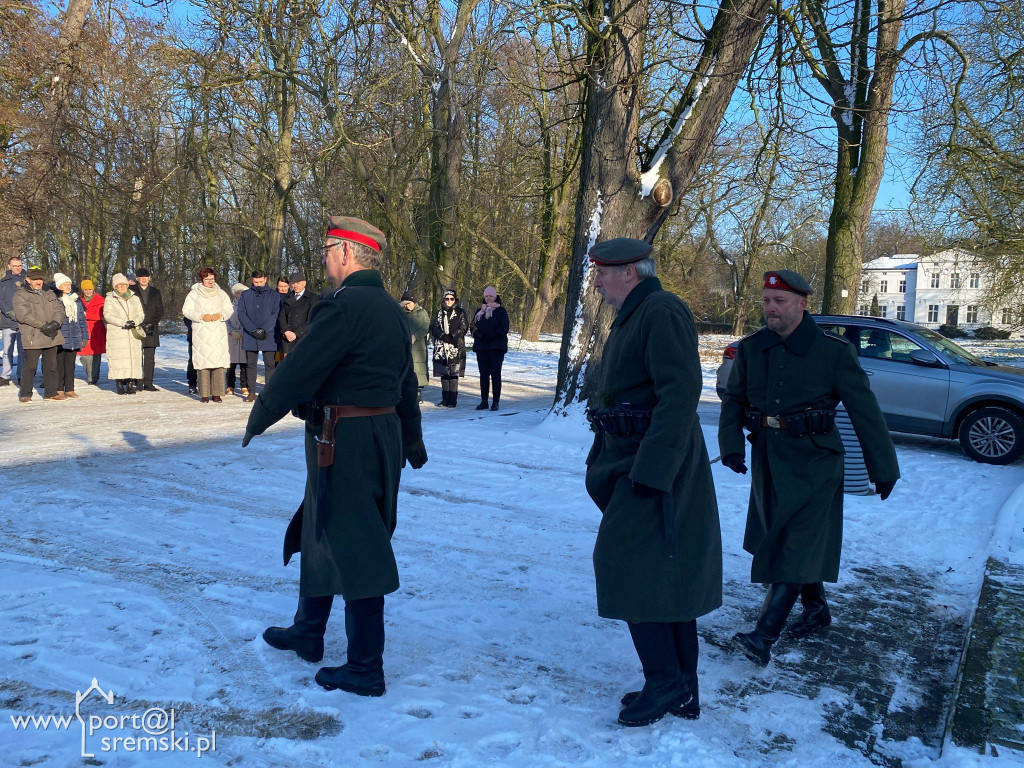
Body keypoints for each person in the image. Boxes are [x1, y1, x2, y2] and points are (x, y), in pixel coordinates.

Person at [243, 216, 427, 698]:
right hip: (375, 434)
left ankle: (365, 667)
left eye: (327, 249)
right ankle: (308, 631)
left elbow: (301, 367)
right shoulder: (391, 309)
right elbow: (406, 380)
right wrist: (411, 437)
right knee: (319, 524)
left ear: (346, 252)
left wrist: (260, 413)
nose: (323, 258)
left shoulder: (344, 306)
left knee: (357, 540)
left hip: (346, 437)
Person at [718, 270, 901, 667]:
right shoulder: (752, 348)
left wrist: (883, 466)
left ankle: (763, 637)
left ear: (802, 304)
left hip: (816, 461)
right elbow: (733, 399)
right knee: (786, 536)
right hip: (769, 459)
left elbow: (865, 410)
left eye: (779, 301)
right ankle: (816, 608)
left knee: (796, 543)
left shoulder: (832, 352)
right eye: (766, 300)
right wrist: (730, 445)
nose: (770, 308)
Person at [584, 238, 722, 727]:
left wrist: (654, 471)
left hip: (656, 463)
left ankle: (665, 681)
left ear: (631, 272)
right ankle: (682, 688)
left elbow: (680, 394)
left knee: (625, 563)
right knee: (666, 571)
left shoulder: (660, 310)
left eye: (603, 273)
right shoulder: (637, 313)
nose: (596, 283)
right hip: (633, 457)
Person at [13, 267, 66, 402]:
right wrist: (43, 325)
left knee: (51, 366)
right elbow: (23, 315)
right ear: (28, 280)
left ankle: (51, 393)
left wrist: (55, 323)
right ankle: (25, 393)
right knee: (30, 366)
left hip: (51, 334)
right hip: (33, 335)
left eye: (40, 279)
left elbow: (59, 309)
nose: (38, 282)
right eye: (35, 279)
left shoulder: (49, 293)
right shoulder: (20, 294)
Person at [181, 268, 232, 403]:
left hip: (218, 332)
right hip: (201, 332)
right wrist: (200, 316)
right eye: (207, 279)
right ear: (202, 280)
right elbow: (186, 310)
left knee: (218, 362)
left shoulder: (221, 293)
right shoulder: (194, 294)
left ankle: (217, 393)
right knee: (203, 362)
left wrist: (221, 315)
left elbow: (229, 309)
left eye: (212, 279)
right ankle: (204, 393)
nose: (210, 281)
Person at [237, 269, 282, 402]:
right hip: (250, 334)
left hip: (269, 334)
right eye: (256, 282)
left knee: (270, 364)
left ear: (265, 279)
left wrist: (264, 330)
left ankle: (269, 392)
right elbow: (241, 313)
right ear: (252, 280)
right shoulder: (245, 294)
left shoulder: (274, 295)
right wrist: (253, 330)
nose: (258, 285)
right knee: (251, 364)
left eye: (261, 282)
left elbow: (276, 313)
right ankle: (251, 392)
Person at [102, 273, 145, 395]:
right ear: (115, 286)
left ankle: (130, 383)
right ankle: (119, 383)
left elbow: (141, 314)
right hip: (118, 333)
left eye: (124, 284)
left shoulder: (135, 298)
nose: (122, 287)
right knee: (119, 359)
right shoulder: (110, 298)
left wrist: (135, 321)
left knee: (132, 358)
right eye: (119, 285)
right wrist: (123, 322)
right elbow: (107, 315)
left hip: (132, 333)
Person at [469, 285, 509, 411]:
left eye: (491, 296)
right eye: (486, 296)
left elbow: (504, 327)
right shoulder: (479, 311)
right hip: (482, 347)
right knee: (484, 375)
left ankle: (495, 401)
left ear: (495, 297)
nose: (488, 298)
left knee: (495, 374)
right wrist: (478, 335)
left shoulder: (501, 311)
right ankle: (484, 401)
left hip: (496, 347)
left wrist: (493, 335)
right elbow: (472, 327)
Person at [52, 273, 88, 398]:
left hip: (74, 336)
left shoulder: (76, 300)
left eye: (69, 284)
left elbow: (82, 320)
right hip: (60, 336)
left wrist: (84, 336)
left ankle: (70, 388)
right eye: (65, 284)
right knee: (59, 364)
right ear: (58, 286)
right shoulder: (55, 300)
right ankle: (59, 389)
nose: (68, 287)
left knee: (70, 364)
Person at [430, 289, 467, 407]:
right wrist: (442, 335)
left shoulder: (460, 312)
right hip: (442, 348)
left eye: (452, 298)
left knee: (454, 374)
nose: (449, 301)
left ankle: (453, 400)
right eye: (447, 299)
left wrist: (452, 336)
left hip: (456, 346)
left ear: (455, 300)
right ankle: (445, 399)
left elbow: (464, 327)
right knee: (444, 374)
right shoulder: (439, 313)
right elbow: (434, 327)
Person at [131, 267, 164, 391]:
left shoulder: (156, 292)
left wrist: (152, 323)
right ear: (137, 278)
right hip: (136, 328)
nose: (144, 279)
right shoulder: (131, 291)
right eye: (141, 276)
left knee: (150, 358)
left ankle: (148, 383)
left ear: (149, 278)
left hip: (151, 328)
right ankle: (138, 383)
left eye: (146, 276)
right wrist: (136, 323)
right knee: (136, 357)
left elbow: (160, 310)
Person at [278, 270, 319, 356]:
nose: (295, 286)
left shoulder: (313, 298)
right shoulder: (287, 297)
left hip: (303, 338)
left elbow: (312, 319)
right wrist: (286, 331)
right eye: (293, 283)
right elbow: (282, 316)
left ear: (304, 283)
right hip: (288, 339)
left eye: (298, 283)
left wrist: (296, 333)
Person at [400, 290, 429, 402]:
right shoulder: (401, 314)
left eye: (409, 303)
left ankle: (418, 395)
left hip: (418, 347)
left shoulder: (421, 313)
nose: (408, 306)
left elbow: (426, 327)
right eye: (405, 304)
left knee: (418, 370)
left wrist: (416, 336)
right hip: (405, 346)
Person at [1, 255, 25, 386]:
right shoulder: (3, 282)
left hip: (25, 321)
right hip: (8, 321)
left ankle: (22, 375)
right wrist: (9, 312)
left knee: (23, 350)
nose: (17, 268)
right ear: (9, 266)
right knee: (7, 351)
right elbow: (1, 301)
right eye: (15, 266)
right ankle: (5, 375)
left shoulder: (28, 281)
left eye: (20, 265)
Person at [77, 279, 106, 385]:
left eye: (90, 289)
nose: (88, 291)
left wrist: (86, 315)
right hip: (83, 329)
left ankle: (93, 377)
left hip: (96, 330)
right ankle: (90, 374)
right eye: (85, 290)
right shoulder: (78, 300)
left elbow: (101, 315)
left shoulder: (101, 300)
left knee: (95, 355)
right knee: (84, 356)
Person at [226, 282, 248, 395]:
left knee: (244, 364)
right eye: (236, 292)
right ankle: (230, 385)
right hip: (232, 338)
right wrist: (231, 331)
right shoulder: (229, 307)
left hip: (244, 337)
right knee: (231, 364)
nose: (238, 295)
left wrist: (241, 332)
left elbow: (250, 321)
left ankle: (244, 385)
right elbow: (225, 321)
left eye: (240, 293)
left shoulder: (248, 307)